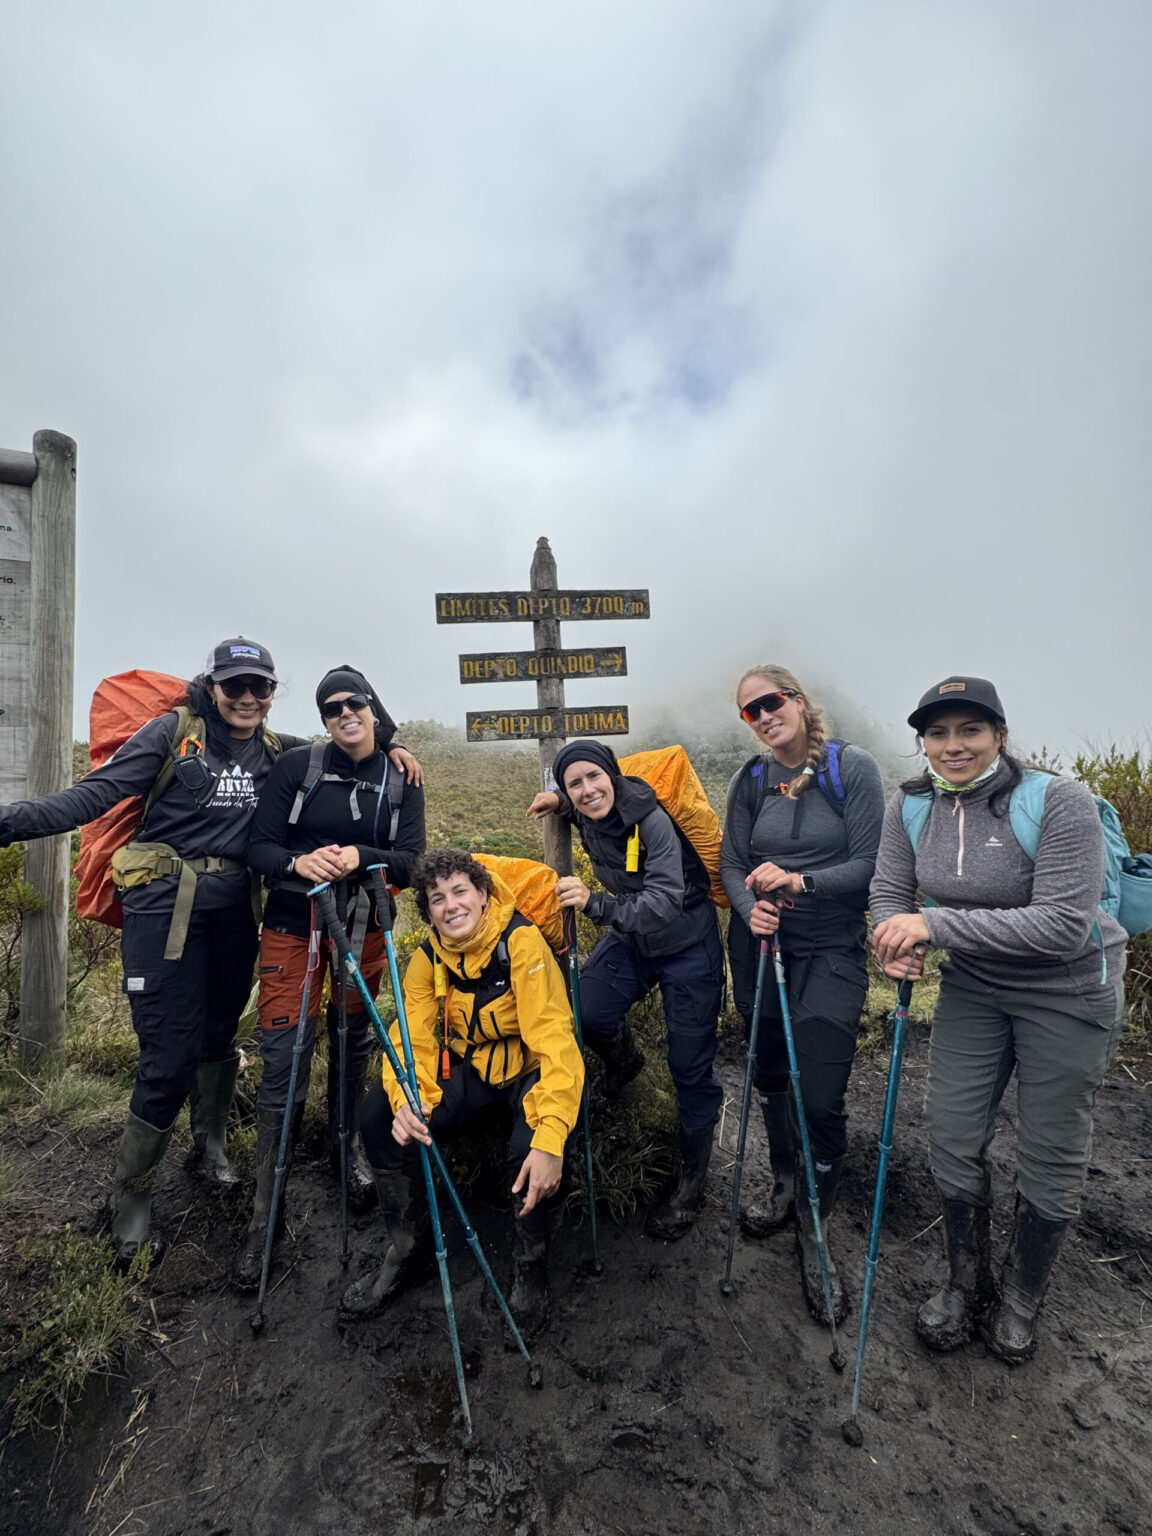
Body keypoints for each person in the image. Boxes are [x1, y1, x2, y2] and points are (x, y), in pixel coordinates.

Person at [0, 638, 310, 1268]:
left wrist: (395, 743)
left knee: (221, 1034)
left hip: (231, 919)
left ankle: (211, 1147)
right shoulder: (171, 734)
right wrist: (11, 821)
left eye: (261, 687)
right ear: (213, 685)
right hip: (163, 914)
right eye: (235, 686)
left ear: (273, 692)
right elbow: (94, 794)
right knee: (168, 1055)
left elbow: (347, 751)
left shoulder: (278, 750)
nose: (248, 698)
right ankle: (131, 1200)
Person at [870, 675, 1127, 1363]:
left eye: (969, 731)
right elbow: (890, 892)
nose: (952, 746)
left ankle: (1021, 1296)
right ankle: (967, 1282)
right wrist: (892, 939)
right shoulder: (912, 804)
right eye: (937, 733)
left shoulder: (1058, 802)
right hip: (976, 986)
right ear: (923, 741)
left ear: (1000, 736)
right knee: (950, 1131)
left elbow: (1062, 927)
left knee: (1050, 1152)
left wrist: (931, 923)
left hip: (1068, 989)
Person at [340, 848, 584, 1339]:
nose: (451, 906)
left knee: (530, 1148)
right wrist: (411, 1097)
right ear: (426, 910)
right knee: (377, 1117)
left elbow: (556, 1042)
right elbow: (414, 1037)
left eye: (460, 892)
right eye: (437, 898)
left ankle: (530, 1265)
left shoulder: (521, 942)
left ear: (482, 894)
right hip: (466, 1067)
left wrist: (553, 1135)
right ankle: (411, 1250)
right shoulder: (428, 957)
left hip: (528, 1069)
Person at [235, 666, 425, 1290]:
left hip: (365, 930)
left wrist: (360, 858)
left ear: (374, 708)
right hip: (294, 927)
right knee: (284, 1055)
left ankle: (346, 1156)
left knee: (353, 1041)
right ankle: (267, 1218)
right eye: (330, 708)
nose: (344, 714)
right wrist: (297, 860)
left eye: (355, 703)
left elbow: (414, 861)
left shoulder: (400, 777)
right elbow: (259, 847)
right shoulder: (299, 768)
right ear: (322, 719)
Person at [721, 664, 884, 1324]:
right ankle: (787, 1182)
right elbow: (732, 863)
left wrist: (799, 883)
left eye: (771, 701)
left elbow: (871, 865)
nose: (762, 716)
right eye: (749, 711)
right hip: (760, 944)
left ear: (797, 699)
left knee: (819, 1087)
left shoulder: (854, 769)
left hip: (830, 948)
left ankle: (816, 1218)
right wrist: (751, 908)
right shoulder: (751, 779)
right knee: (766, 1072)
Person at [527, 738, 725, 1242]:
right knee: (584, 1011)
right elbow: (580, 805)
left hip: (685, 941)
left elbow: (662, 903)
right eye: (576, 783)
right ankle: (624, 1063)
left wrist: (595, 905)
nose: (589, 790)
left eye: (595, 777)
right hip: (633, 938)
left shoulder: (652, 820)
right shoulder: (585, 808)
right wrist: (559, 804)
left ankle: (692, 1181)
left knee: (689, 1064)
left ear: (612, 774)